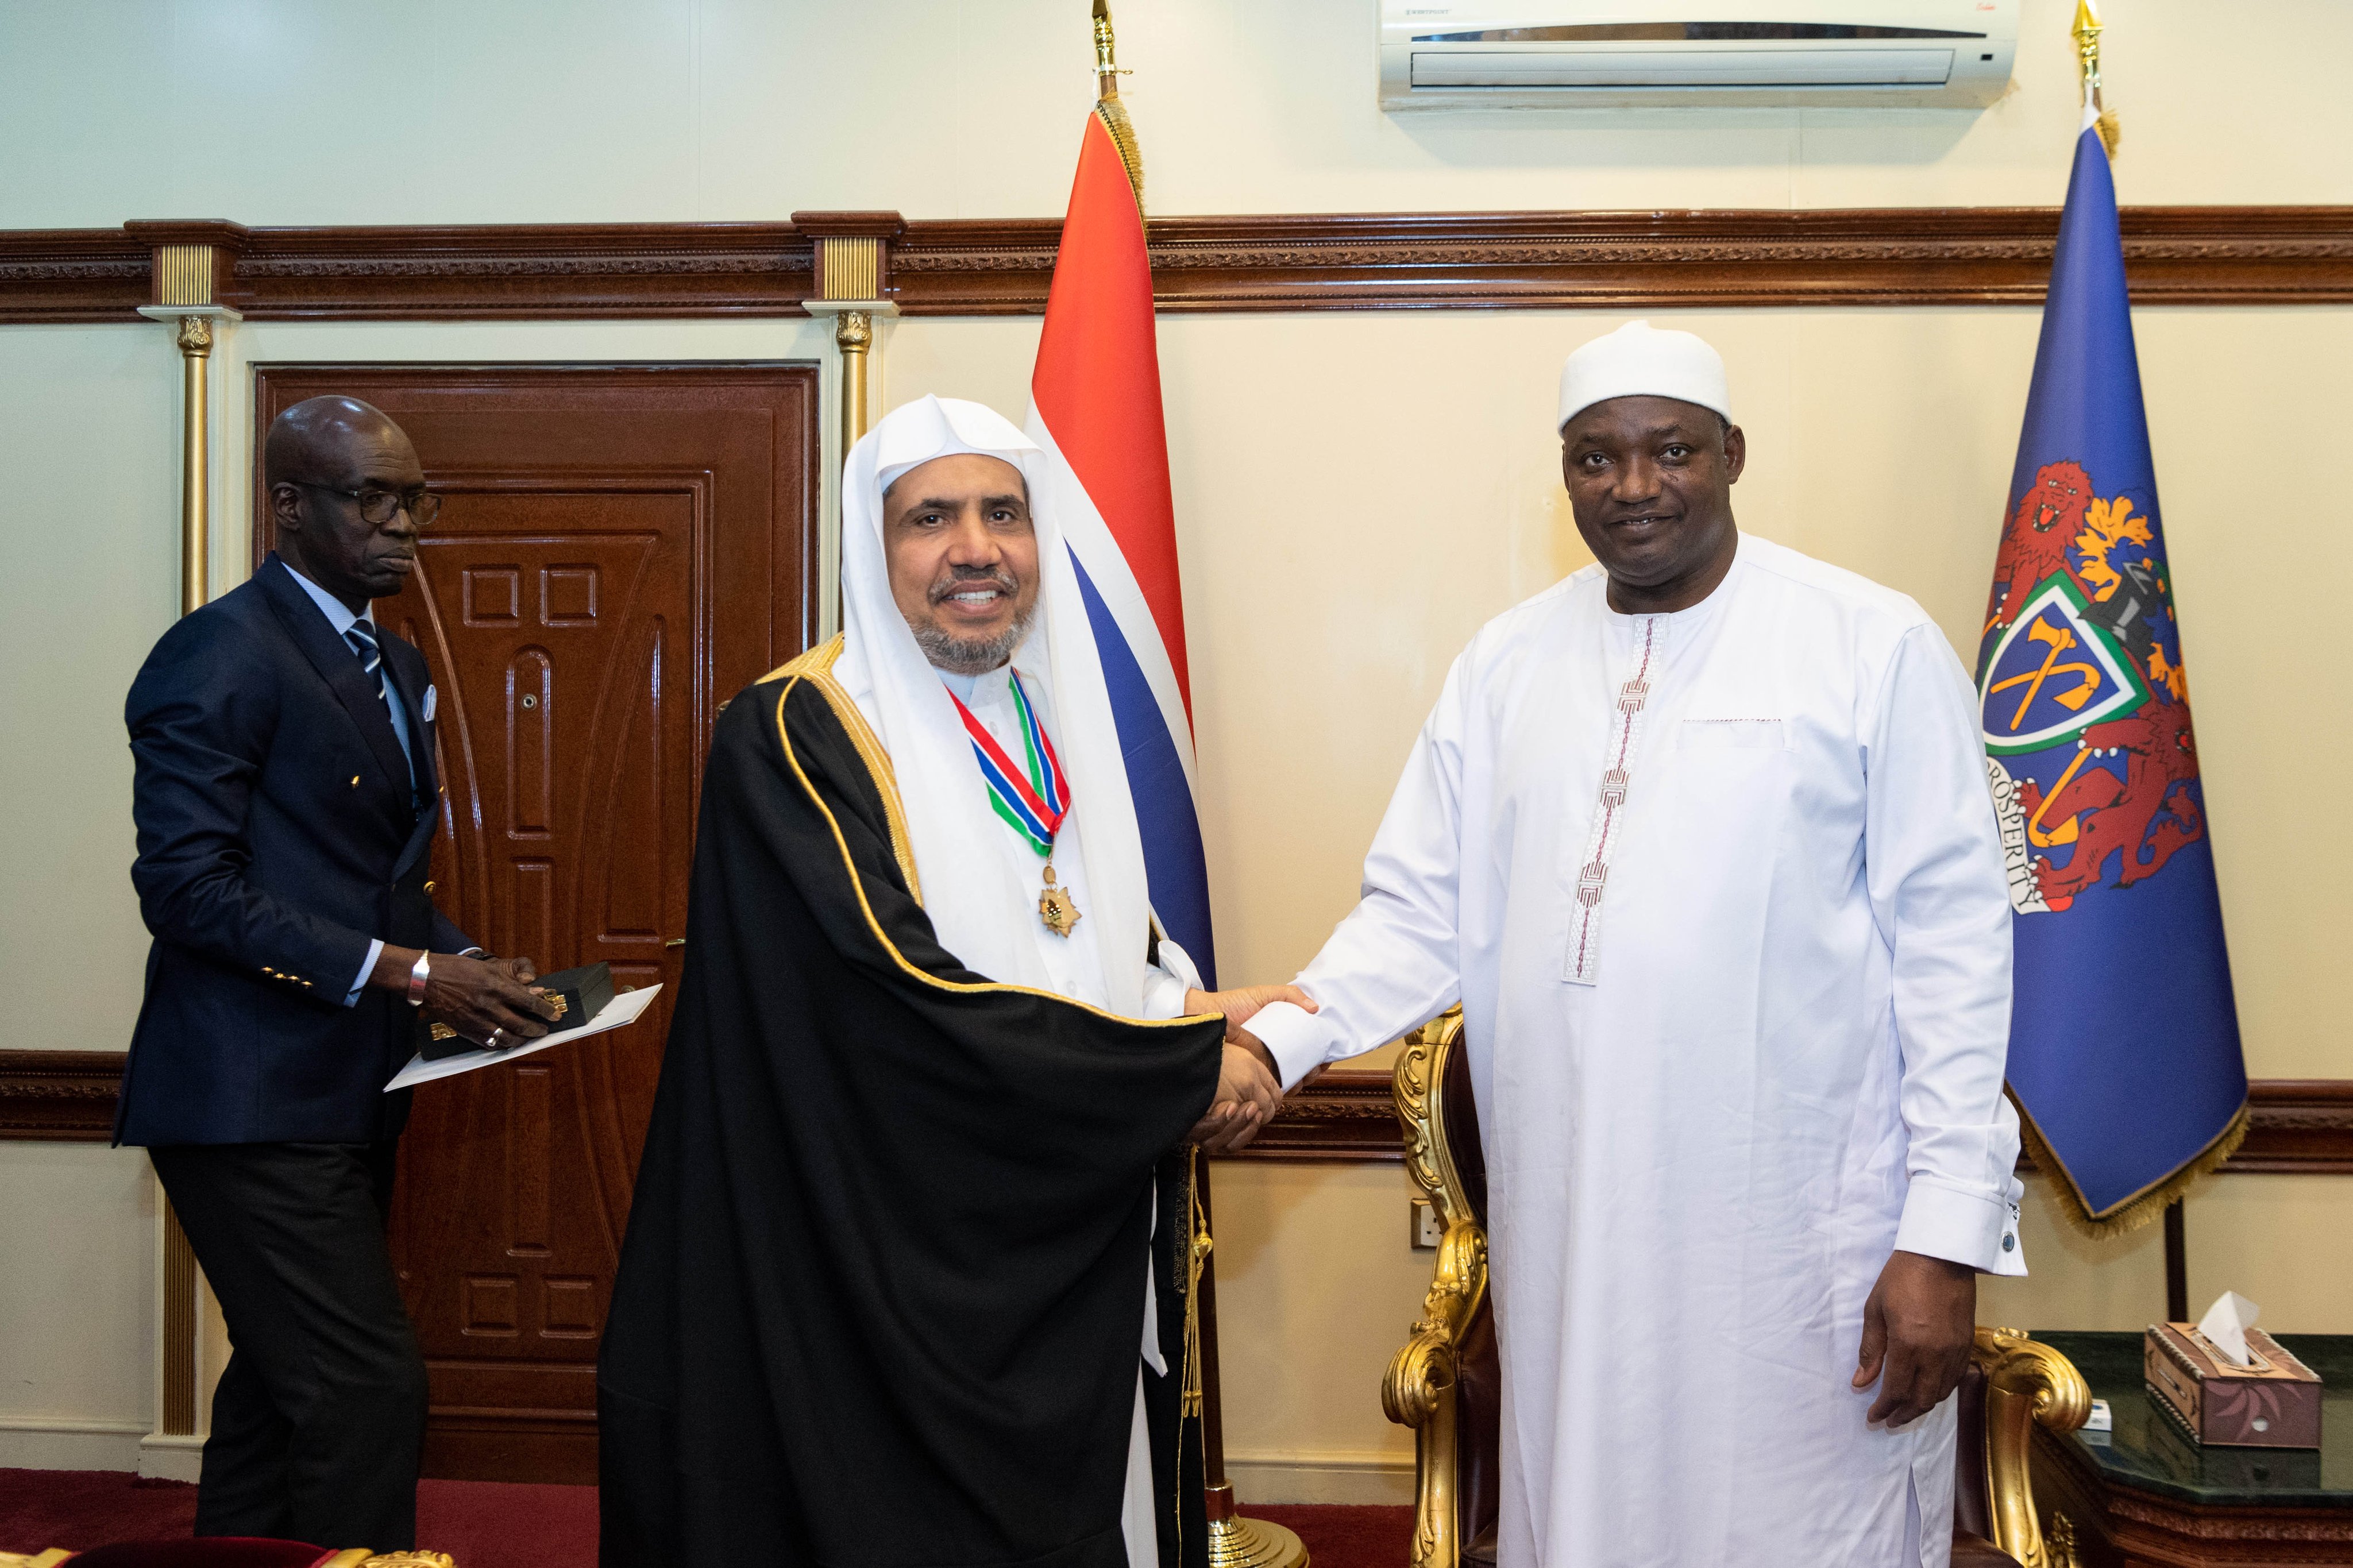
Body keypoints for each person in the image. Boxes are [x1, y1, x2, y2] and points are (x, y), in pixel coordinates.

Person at [1237, 323, 2027, 1567]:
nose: (1634, 487)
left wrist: (1941, 1237)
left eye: (1669, 450)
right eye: (1595, 459)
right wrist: (1277, 1044)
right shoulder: (1502, 665)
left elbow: (1957, 955)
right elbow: (1414, 912)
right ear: (1563, 477)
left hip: (1804, 1250)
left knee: (1803, 1529)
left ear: (1730, 456)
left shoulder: (1867, 644)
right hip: (1578, 1240)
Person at [597, 396, 1300, 1568]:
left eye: (1003, 514)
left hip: (1058, 1234)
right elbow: (894, 1003)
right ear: (873, 553)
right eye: (931, 518)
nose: (975, 550)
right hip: (871, 1268)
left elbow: (1088, 934)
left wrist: (1183, 1003)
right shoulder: (795, 731)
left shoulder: (1050, 714)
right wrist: (1176, 1069)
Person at [118, 395, 557, 1548]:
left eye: (415, 499)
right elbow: (188, 891)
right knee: (367, 1390)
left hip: (342, 1091)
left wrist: (466, 965)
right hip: (244, 1099)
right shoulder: (217, 651)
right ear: (286, 506)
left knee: (279, 1392)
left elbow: (362, 877)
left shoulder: (391, 657)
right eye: (372, 498)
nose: (403, 524)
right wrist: (412, 975)